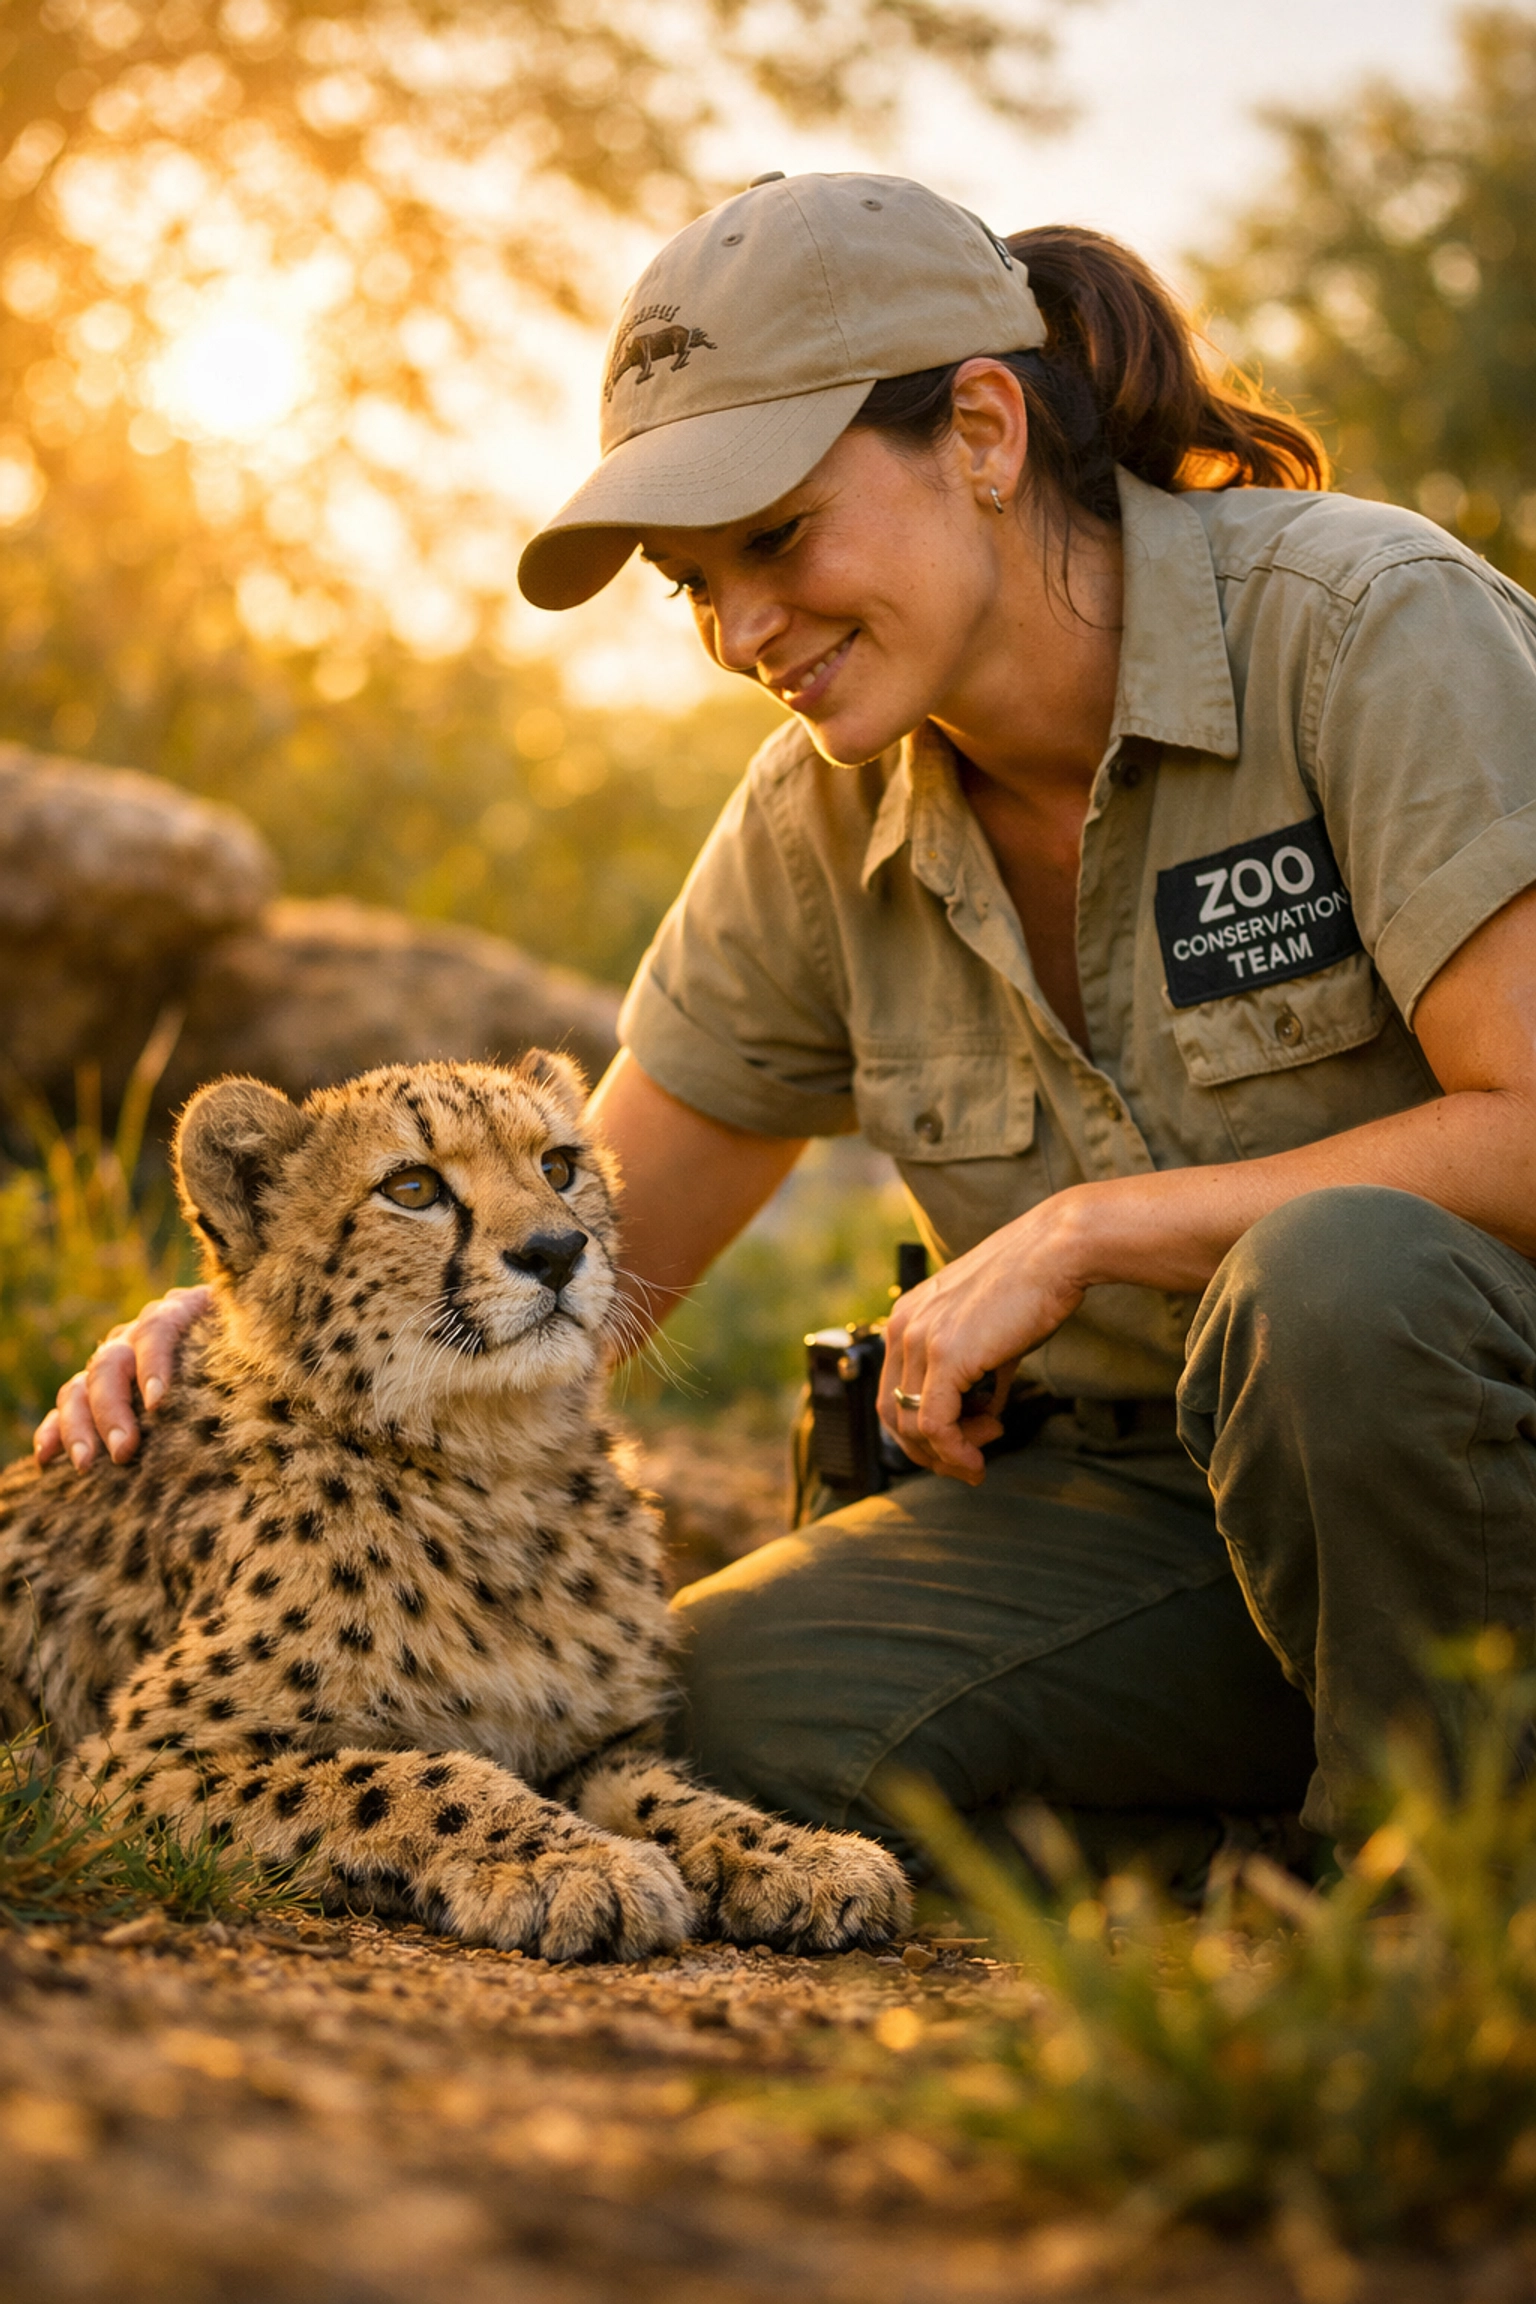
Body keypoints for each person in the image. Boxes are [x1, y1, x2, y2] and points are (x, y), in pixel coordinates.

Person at [42, 172, 1536, 1884]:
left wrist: (1093, 1229)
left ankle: (1451, 1905)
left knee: (1337, 1274)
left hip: (1480, 1444)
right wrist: (262, 1320)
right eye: (689, 584)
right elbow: (593, 1250)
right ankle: (1301, 1824)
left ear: (982, 430)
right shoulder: (812, 817)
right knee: (731, 1724)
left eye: (776, 540)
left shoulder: (1365, 628)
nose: (741, 634)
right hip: (1155, 1498)